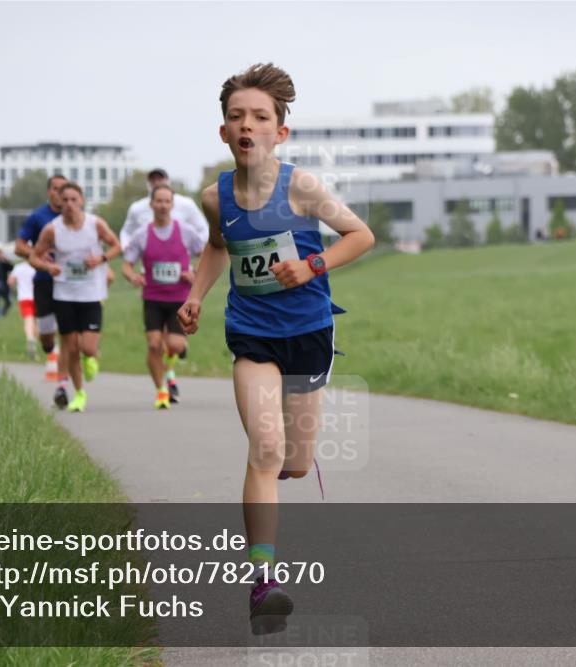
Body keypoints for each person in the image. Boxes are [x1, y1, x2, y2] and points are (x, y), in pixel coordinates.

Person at [177, 63, 374, 633]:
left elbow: (361, 236)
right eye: (237, 116)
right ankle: (263, 582)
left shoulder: (302, 187)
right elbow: (218, 247)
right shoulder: (215, 196)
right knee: (265, 448)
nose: (248, 125)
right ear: (224, 132)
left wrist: (311, 265)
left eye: (260, 117)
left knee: (295, 460)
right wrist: (195, 296)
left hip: (309, 333)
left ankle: (291, 465)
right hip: (253, 334)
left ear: (279, 132)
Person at [29, 182, 121, 413]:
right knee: (70, 348)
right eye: (65, 200)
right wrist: (48, 268)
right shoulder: (52, 229)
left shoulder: (95, 224)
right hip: (64, 294)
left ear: (81, 201)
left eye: (74, 199)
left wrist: (101, 259)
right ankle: (79, 393)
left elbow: (116, 245)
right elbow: (34, 257)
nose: (69, 204)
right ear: (59, 203)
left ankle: (91, 358)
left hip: (91, 293)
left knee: (87, 348)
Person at [121, 184, 207, 409]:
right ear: (151, 204)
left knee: (176, 346)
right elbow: (127, 265)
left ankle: (169, 368)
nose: (162, 205)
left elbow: (207, 254)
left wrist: (195, 273)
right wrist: (132, 277)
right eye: (158, 201)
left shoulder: (186, 232)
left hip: (180, 298)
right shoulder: (142, 235)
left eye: (166, 201)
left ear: (172, 205)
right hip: (153, 298)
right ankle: (161, 390)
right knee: (153, 345)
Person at [16, 174, 72, 407]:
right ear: (49, 192)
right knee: (47, 338)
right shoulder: (38, 217)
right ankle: (49, 347)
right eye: (56, 189)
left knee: (69, 335)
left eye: (64, 189)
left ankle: (62, 386)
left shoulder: (76, 216)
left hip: (71, 283)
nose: (60, 193)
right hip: (44, 281)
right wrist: (37, 256)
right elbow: (19, 245)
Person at [7, 259, 38, 359]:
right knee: (36, 322)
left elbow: (10, 281)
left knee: (28, 321)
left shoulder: (18, 267)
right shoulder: (37, 267)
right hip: (37, 298)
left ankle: (30, 338)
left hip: (24, 298)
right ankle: (34, 341)